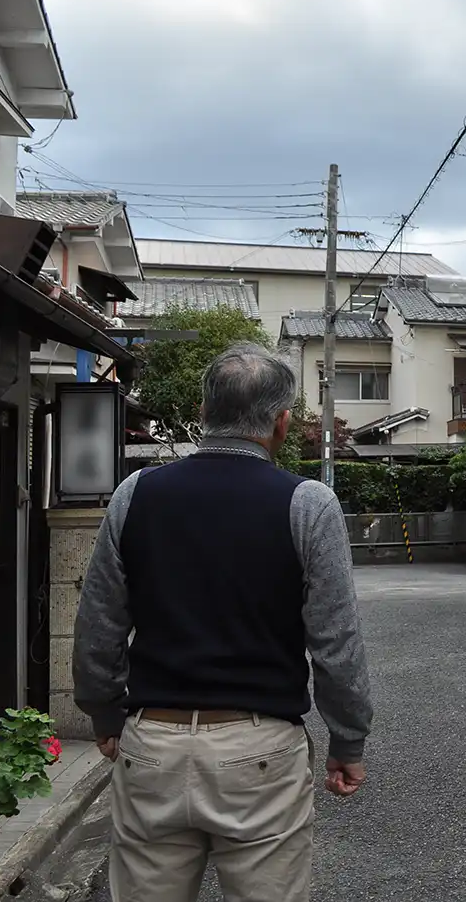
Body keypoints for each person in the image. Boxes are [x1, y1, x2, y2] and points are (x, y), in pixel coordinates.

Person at [73, 342, 373, 902]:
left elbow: (99, 623)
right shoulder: (308, 503)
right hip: (258, 750)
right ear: (282, 423)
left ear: (205, 413)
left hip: (150, 745)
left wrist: (104, 712)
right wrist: (348, 739)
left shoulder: (135, 495)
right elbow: (337, 643)